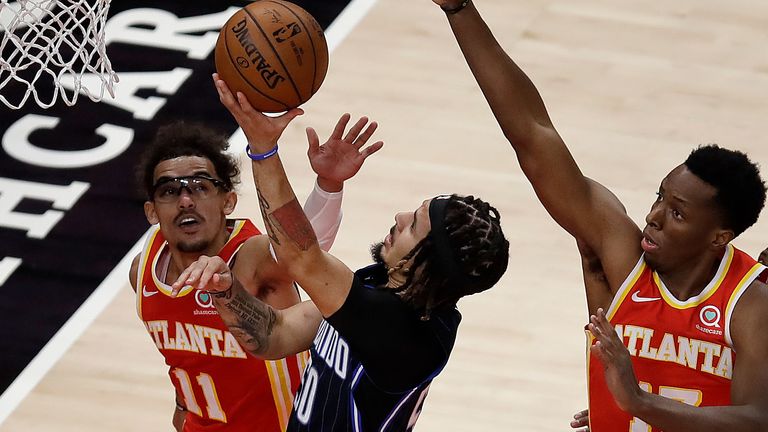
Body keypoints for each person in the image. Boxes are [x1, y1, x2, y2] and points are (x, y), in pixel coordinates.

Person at [432, 0, 768, 431]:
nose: (654, 217)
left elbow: (758, 420)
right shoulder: (621, 257)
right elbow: (534, 137)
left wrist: (639, 402)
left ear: (720, 237)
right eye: (660, 198)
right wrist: (459, 10)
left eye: (678, 214)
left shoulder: (749, 306)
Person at [171, 73, 510, 431]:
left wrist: (263, 148)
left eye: (414, 225)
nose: (399, 217)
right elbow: (277, 334)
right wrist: (227, 292)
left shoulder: (402, 334)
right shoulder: (382, 287)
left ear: (429, 266)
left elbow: (300, 257)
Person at [129, 119, 378, 431]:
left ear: (228, 201)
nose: (185, 201)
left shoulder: (252, 259)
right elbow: (188, 364)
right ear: (152, 211)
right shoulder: (144, 271)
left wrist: (327, 187)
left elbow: (303, 252)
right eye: (169, 191)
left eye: (200, 187)